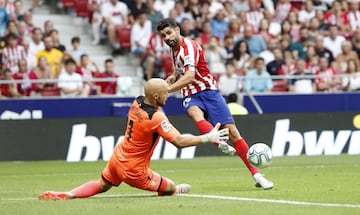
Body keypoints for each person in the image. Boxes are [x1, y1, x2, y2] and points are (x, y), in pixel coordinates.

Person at [38, 78, 229, 200]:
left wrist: (165, 84)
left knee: (102, 185)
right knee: (169, 187)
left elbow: (154, 95)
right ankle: (174, 189)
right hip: (134, 170)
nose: (168, 96)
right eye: (165, 94)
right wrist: (207, 137)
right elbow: (178, 141)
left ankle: (70, 194)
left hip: (117, 158)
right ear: (156, 96)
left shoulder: (137, 101)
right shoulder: (156, 118)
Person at [157, 18, 273, 190]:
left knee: (233, 132)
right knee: (194, 113)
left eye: (168, 33)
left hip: (208, 90)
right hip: (190, 93)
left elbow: (189, 76)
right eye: (163, 36)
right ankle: (219, 143)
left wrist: (168, 89)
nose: (166, 37)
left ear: (177, 30)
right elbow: (182, 71)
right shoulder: (173, 49)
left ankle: (257, 174)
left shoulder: (189, 47)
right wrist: (174, 76)